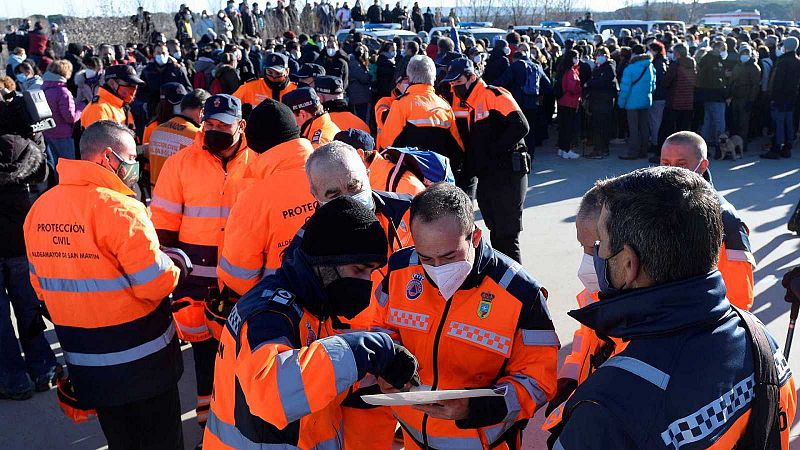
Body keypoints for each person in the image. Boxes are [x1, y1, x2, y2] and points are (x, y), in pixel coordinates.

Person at [554, 166, 796, 449]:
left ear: (629, 264)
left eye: (601, 246)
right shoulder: (763, 342)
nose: (595, 258)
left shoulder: (608, 405)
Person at [205, 195, 419, 449]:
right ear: (326, 262)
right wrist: (363, 350)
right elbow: (272, 396)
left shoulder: (311, 305)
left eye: (371, 272)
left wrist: (375, 376)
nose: (366, 282)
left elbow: (312, 380)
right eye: (359, 270)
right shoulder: (269, 315)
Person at [23, 121, 184, 448]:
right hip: (145, 364)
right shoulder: (122, 209)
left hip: (88, 364)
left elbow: (40, 288)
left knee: (121, 440)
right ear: (108, 158)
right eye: (130, 157)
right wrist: (177, 262)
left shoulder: (40, 209)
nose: (134, 167)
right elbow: (154, 284)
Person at [378, 182, 558, 449]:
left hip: (483, 441)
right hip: (412, 434)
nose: (437, 268)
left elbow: (538, 382)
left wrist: (475, 408)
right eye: (426, 257)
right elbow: (380, 327)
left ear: (474, 237)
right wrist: (385, 364)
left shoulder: (521, 294)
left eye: (449, 256)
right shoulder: (400, 269)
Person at [541, 186, 626, 445]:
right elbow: (584, 341)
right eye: (582, 247)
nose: (587, 261)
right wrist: (569, 378)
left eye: (595, 249)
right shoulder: (599, 289)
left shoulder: (645, 315)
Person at [217, 99, 316, 296]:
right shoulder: (333, 171)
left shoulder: (254, 197)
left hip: (280, 310)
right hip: (344, 312)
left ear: (255, 148)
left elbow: (238, 276)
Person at [445, 58, 530, 263]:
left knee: (507, 235)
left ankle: (518, 288)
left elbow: (520, 125)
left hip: (508, 173)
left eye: (458, 82)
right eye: (452, 84)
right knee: (495, 230)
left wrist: (493, 153)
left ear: (472, 77)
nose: (455, 87)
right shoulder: (467, 104)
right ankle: (503, 280)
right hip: (488, 176)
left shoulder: (493, 94)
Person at [0, 110, 60, 401]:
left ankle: (13, 379)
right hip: (23, 244)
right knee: (29, 307)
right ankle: (44, 368)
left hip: (15, 245)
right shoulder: (31, 152)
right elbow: (51, 188)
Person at [659, 131, 755, 309]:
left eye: (681, 164)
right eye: (665, 163)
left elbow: (739, 298)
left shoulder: (725, 219)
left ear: (702, 165)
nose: (671, 171)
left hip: (700, 323)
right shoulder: (651, 202)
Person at [377, 56, 462, 166]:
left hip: (410, 174)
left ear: (409, 77)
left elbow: (387, 144)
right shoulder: (444, 106)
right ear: (434, 77)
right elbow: (457, 147)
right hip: (438, 174)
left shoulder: (401, 104)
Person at [334, 128, 424, 195]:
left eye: (339, 158)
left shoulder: (405, 186)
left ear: (359, 155)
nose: (334, 164)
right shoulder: (361, 179)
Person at [147, 88, 208, 187]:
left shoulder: (157, 130)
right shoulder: (198, 135)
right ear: (202, 111)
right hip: (180, 197)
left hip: (156, 195)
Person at [762, 37, 800, 160]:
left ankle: (776, 147)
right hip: (792, 96)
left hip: (780, 97)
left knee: (778, 123)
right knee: (789, 123)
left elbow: (777, 82)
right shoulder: (797, 61)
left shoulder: (782, 62)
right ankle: (787, 147)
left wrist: (772, 96)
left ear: (786, 46)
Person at [659, 42, 696, 162]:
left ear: (677, 53)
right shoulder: (693, 64)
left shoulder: (675, 66)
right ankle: (685, 155)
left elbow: (666, 82)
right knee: (684, 131)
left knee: (668, 130)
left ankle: (665, 154)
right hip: (688, 102)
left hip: (674, 101)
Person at [618, 44, 655, 160]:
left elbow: (625, 88)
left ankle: (633, 152)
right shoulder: (650, 66)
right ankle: (644, 150)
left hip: (632, 102)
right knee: (644, 126)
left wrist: (621, 103)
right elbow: (653, 85)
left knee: (633, 128)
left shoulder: (630, 68)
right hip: (645, 100)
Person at [80, 65, 143, 131]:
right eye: (129, 84)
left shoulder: (122, 106)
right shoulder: (99, 109)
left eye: (135, 85)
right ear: (112, 83)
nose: (133, 88)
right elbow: (99, 140)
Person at [42, 60, 81, 164]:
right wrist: (81, 108)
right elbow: (70, 117)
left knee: (53, 164)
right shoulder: (63, 92)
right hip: (63, 135)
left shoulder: (43, 88)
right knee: (68, 166)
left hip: (47, 133)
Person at [233, 52, 297, 114]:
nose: (273, 77)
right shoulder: (250, 87)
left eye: (278, 73)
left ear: (287, 71)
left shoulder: (295, 91)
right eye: (270, 72)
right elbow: (229, 104)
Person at [696, 40, 728, 160]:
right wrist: (725, 92)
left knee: (707, 121)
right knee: (719, 122)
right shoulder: (712, 61)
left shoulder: (706, 59)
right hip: (715, 95)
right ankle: (720, 146)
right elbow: (717, 81)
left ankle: (704, 146)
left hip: (706, 95)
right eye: (723, 48)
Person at [583, 47, 617, 159]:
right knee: (599, 126)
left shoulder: (609, 66)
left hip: (603, 101)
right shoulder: (600, 67)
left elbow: (607, 80)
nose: (598, 57)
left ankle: (600, 150)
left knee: (601, 126)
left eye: (600, 55)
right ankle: (601, 149)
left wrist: (591, 84)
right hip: (599, 100)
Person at [729, 44, 760, 153]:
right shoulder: (737, 65)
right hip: (736, 97)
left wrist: (751, 100)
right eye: (743, 53)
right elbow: (732, 80)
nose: (745, 55)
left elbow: (755, 86)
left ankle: (742, 145)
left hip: (745, 98)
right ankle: (733, 145)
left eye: (747, 53)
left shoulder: (754, 67)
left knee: (743, 123)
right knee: (735, 122)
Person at [141, 82, 188, 147]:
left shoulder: (190, 125)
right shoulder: (152, 127)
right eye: (177, 104)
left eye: (183, 103)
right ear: (164, 104)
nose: (180, 107)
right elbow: (146, 153)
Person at [556, 49, 582, 160]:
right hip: (569, 102)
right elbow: (572, 88)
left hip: (563, 101)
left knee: (563, 127)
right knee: (568, 127)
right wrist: (581, 88)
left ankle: (562, 149)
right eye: (576, 57)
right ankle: (566, 150)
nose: (578, 60)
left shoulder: (563, 69)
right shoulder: (571, 71)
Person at [346, 43, 372, 123]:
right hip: (359, 94)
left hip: (358, 94)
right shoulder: (355, 62)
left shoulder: (353, 60)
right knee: (361, 118)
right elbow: (364, 78)